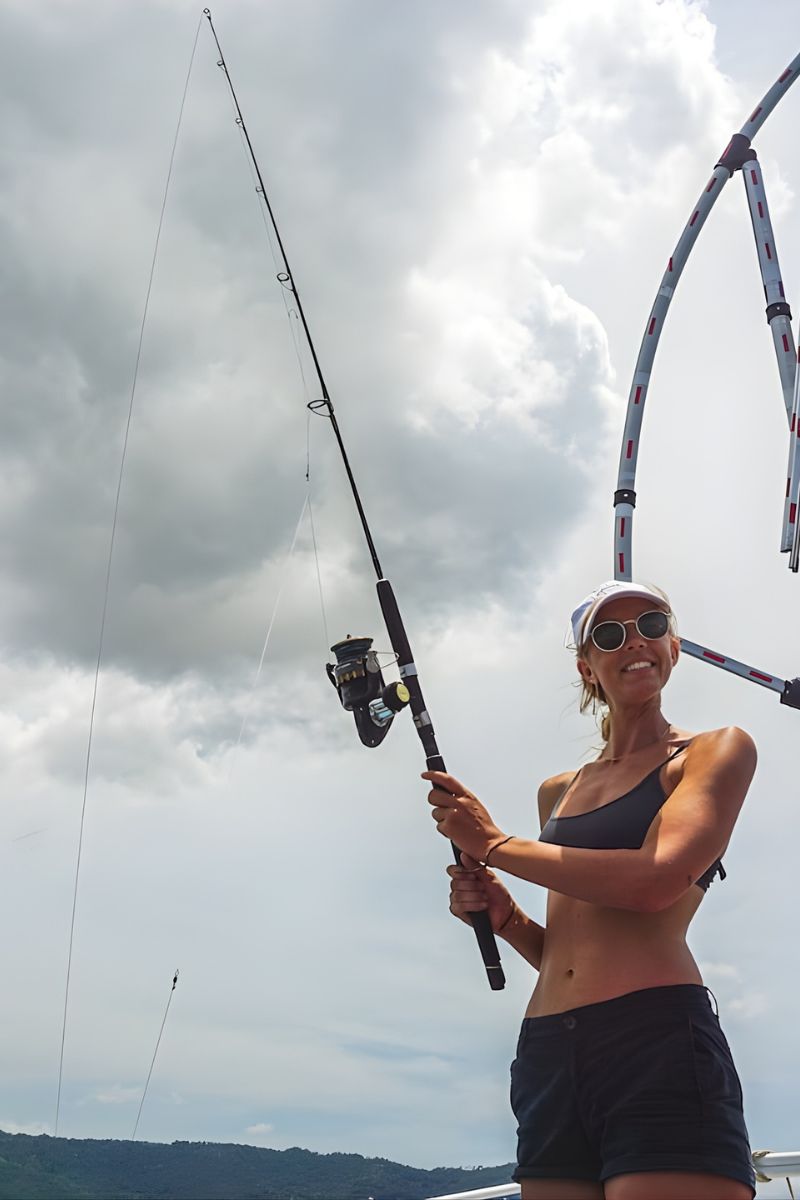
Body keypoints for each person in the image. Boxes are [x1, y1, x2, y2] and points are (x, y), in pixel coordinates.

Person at [425, 580, 758, 1200]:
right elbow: (575, 952)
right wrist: (508, 920)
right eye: (610, 635)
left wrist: (495, 845)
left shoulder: (713, 752)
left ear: (674, 645)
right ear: (587, 667)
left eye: (652, 625)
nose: (636, 642)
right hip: (548, 1051)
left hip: (653, 1039)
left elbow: (656, 882)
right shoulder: (558, 790)